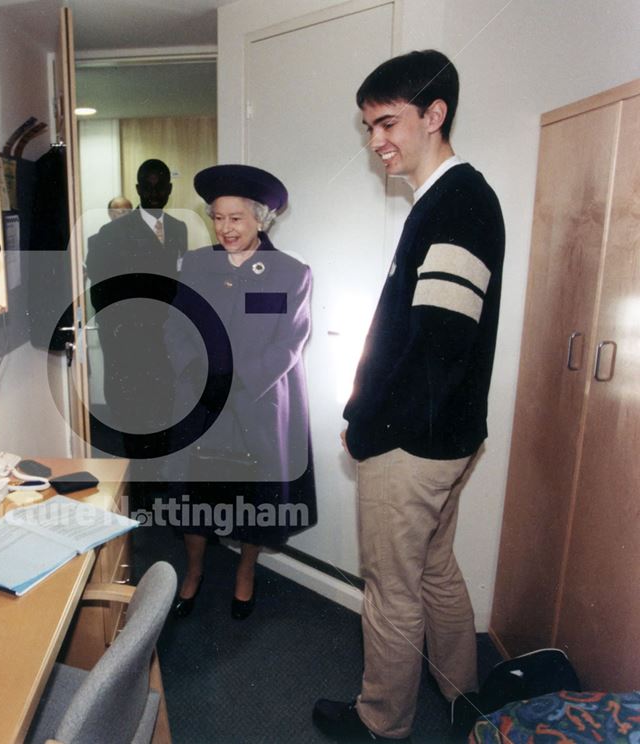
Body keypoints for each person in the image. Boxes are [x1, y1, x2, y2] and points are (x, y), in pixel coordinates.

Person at [312, 50, 505, 741]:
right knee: (434, 569)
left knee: (390, 590)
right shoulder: (449, 202)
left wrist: (366, 424)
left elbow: (435, 347)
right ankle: (463, 693)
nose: (376, 142)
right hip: (446, 437)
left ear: (434, 114)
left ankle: (381, 723)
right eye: (368, 127)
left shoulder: (458, 203)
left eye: (387, 122)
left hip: (413, 443)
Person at [163, 164, 316, 621]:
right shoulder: (194, 264)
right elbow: (176, 328)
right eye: (218, 218)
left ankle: (244, 573)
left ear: (260, 220)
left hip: (258, 403)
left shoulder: (290, 272)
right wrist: (201, 377)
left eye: (237, 219)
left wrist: (237, 381)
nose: (226, 229)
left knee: (253, 500)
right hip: (200, 400)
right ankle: (193, 572)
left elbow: (289, 342)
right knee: (193, 496)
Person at [86, 160, 187, 470]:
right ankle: (139, 498)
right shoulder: (112, 232)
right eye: (148, 186)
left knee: (165, 419)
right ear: (138, 189)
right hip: (129, 348)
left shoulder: (178, 229)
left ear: (170, 189)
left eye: (161, 186)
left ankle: (159, 493)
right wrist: (116, 335)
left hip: (166, 345)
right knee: (133, 425)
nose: (154, 193)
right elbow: (100, 290)